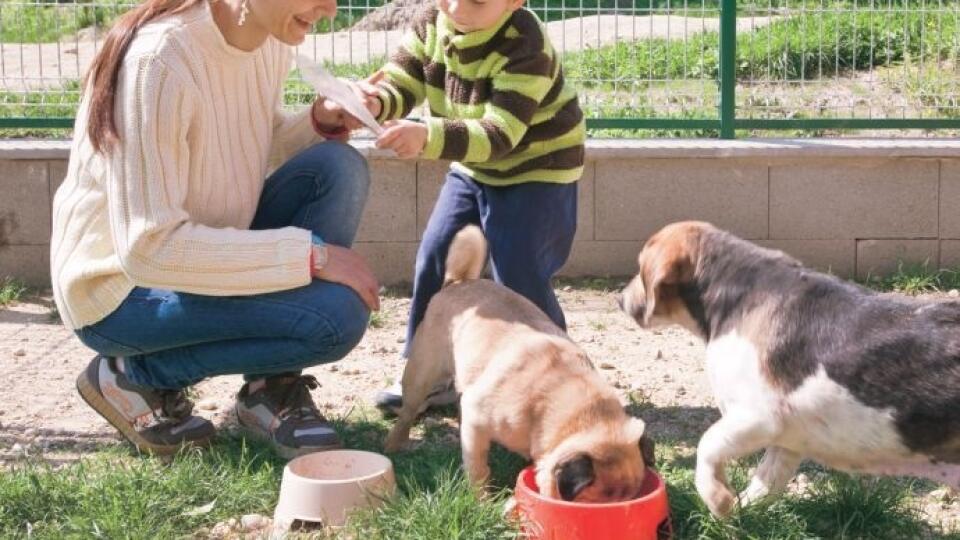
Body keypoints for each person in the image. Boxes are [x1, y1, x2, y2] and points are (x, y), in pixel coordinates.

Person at [50, 0, 381, 459]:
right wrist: (310, 256)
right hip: (122, 290)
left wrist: (316, 122)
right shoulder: (159, 61)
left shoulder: (266, 39)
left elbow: (244, 145)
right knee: (335, 318)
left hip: (196, 248)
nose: (329, 8)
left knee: (337, 166)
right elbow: (150, 248)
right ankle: (135, 375)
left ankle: (270, 387)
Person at [365, 0, 587, 412]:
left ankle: (558, 381)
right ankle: (429, 373)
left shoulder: (525, 42)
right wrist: (377, 102)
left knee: (518, 273)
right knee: (436, 256)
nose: (455, 7)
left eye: (477, 1)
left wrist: (427, 136)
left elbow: (500, 134)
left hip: (538, 170)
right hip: (474, 167)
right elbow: (403, 79)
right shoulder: (433, 21)